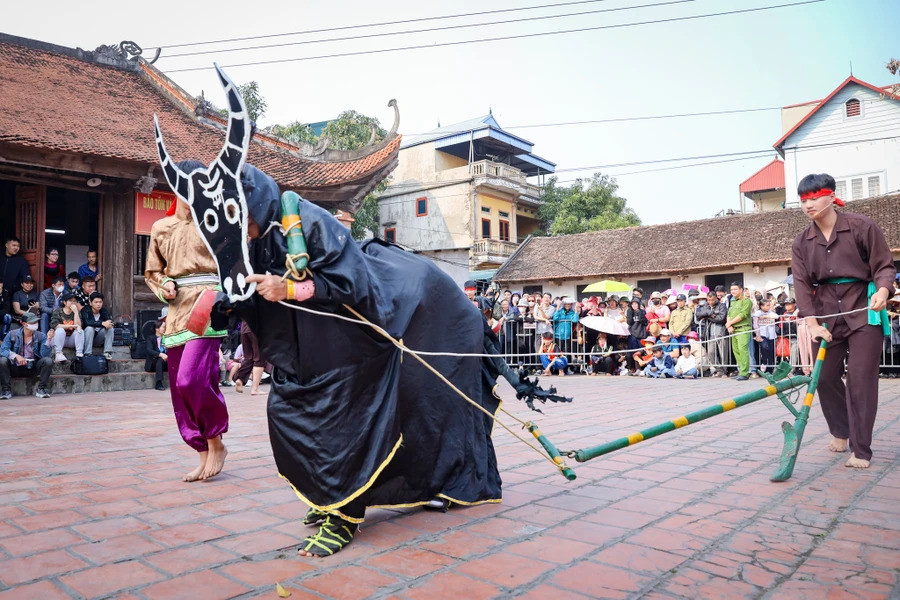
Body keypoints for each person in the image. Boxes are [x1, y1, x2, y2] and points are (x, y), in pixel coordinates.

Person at [791, 173, 895, 469]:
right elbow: (801, 285)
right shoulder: (802, 242)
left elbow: (884, 266)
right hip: (826, 315)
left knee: (860, 381)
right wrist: (811, 323)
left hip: (864, 310)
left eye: (814, 197)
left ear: (831, 196)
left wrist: (884, 290)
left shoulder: (863, 227)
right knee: (823, 376)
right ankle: (840, 430)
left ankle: (861, 449)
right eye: (803, 200)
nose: (808, 204)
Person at [145, 174, 229, 483]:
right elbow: (153, 271)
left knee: (191, 378)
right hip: (176, 310)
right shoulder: (160, 228)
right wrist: (164, 283)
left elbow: (233, 262)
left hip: (208, 304)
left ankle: (216, 440)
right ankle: (203, 451)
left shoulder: (216, 223)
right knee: (180, 389)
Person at [0, 312, 53, 399]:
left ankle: (41, 389)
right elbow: (2, 350)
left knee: (48, 361)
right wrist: (15, 356)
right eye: (32, 323)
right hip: (15, 367)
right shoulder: (12, 334)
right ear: (24, 324)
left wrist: (49, 340)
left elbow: (45, 355)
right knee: (2, 360)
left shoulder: (41, 336)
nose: (35, 324)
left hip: (33, 367)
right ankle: (6, 390)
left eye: (36, 322)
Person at [725, 282, 752, 380]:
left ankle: (745, 373)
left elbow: (743, 314)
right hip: (734, 329)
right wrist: (729, 325)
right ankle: (741, 371)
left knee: (742, 350)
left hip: (743, 328)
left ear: (741, 290)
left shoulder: (746, 301)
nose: (733, 291)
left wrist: (730, 323)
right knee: (736, 351)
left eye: (735, 289)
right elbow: (729, 314)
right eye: (732, 289)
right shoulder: (733, 301)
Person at [48, 290, 84, 362]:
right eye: (71, 301)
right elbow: (55, 325)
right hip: (59, 339)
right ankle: (58, 354)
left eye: (75, 301)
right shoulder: (57, 311)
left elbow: (79, 326)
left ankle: (79, 353)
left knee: (80, 331)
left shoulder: (77, 312)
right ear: (64, 302)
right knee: (60, 330)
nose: (73, 303)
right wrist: (72, 326)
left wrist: (76, 312)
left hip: (71, 340)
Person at [233, 321, 266, 395]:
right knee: (259, 358)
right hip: (257, 328)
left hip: (244, 328)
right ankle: (255, 389)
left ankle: (240, 379)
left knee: (249, 357)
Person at [81, 292, 115, 359]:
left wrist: (109, 322)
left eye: (100, 302)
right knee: (89, 328)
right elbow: (87, 322)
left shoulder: (104, 311)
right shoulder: (85, 310)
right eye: (96, 302)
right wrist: (101, 323)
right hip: (86, 338)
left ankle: (107, 352)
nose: (98, 304)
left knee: (110, 328)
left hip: (98, 338)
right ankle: (87, 353)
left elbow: (109, 321)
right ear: (91, 303)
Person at [144, 319, 168, 391]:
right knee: (160, 359)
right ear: (157, 329)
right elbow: (149, 350)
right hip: (153, 363)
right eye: (163, 327)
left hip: (166, 362)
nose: (165, 329)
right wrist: (160, 354)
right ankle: (158, 383)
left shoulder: (167, 338)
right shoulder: (150, 338)